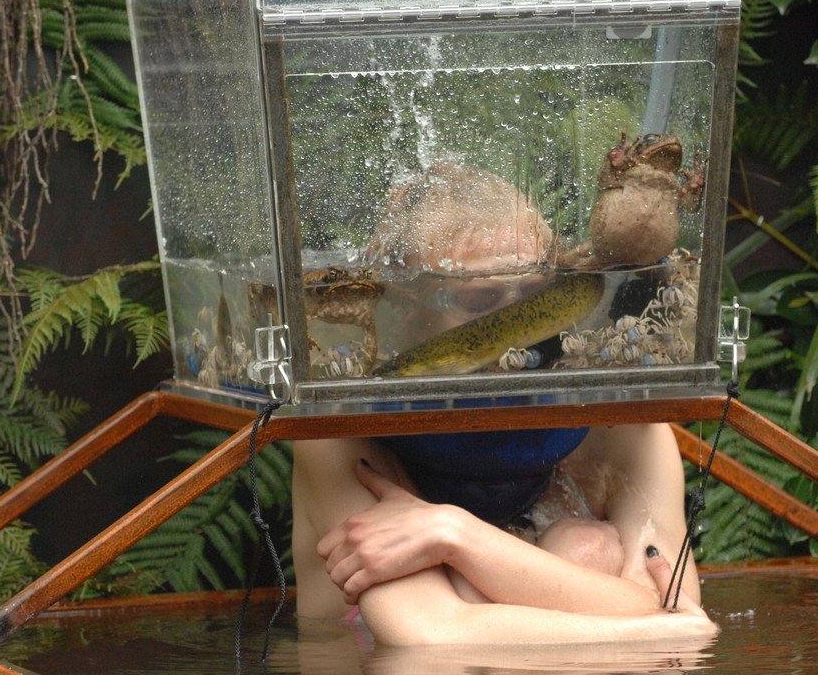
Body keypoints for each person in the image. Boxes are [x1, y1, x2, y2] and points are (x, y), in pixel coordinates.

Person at [291, 163, 716, 645]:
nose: (518, 322)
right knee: (572, 558)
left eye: (537, 293)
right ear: (408, 314)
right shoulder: (339, 433)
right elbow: (430, 635)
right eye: (481, 299)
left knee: (586, 547)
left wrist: (453, 533)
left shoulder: (614, 423)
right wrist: (653, 625)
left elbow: (677, 604)